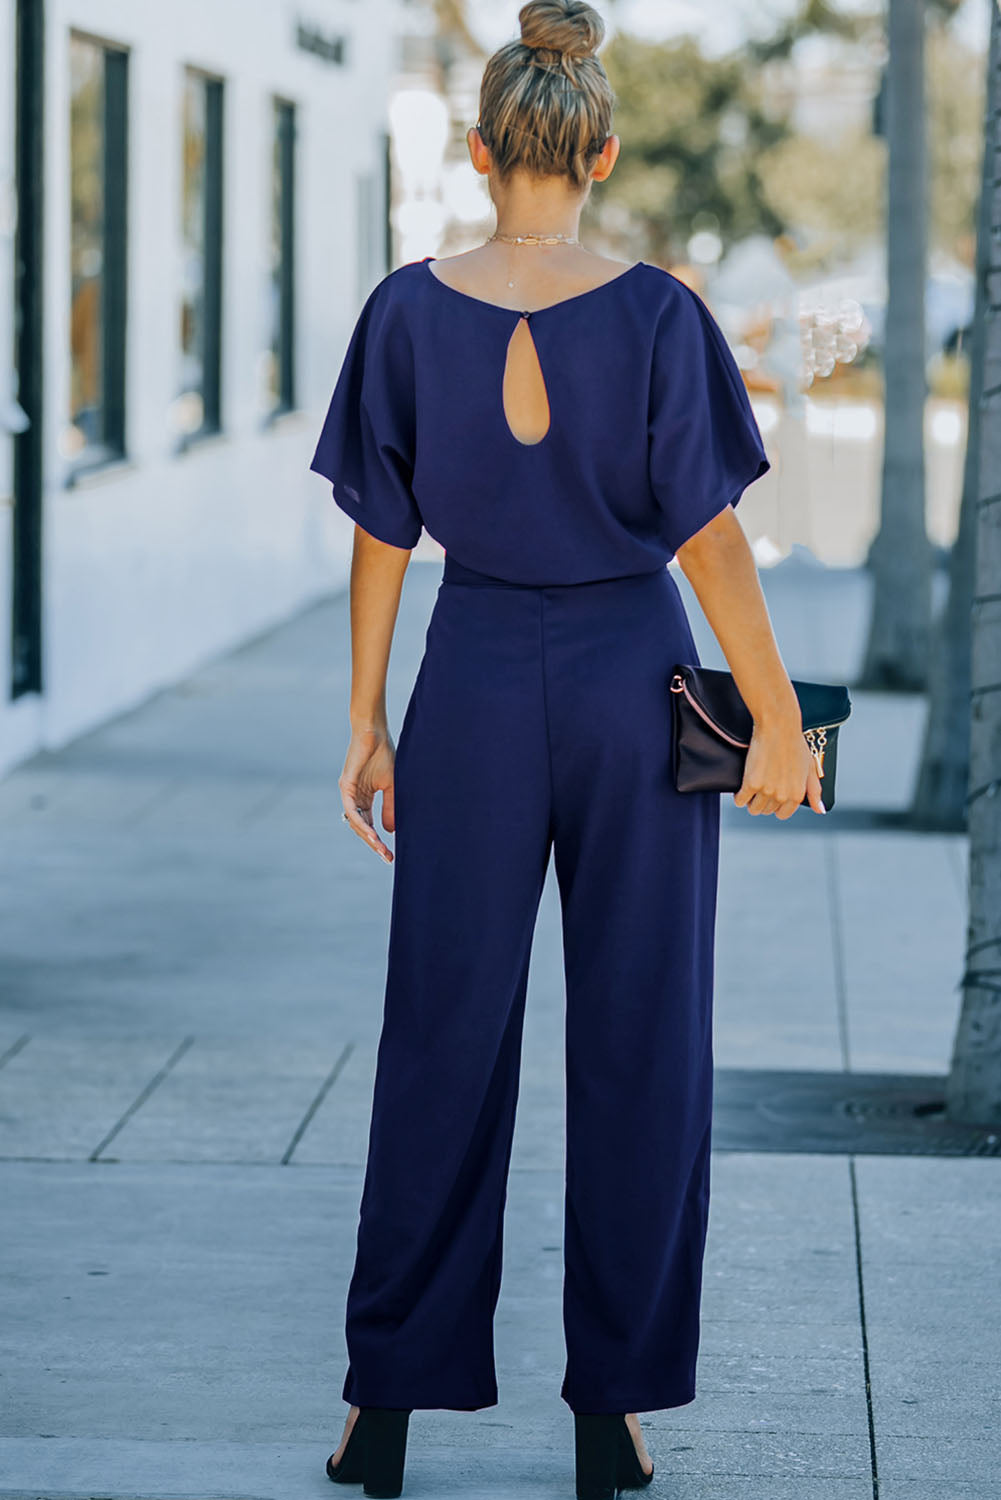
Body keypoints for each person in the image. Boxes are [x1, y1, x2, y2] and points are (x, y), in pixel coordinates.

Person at [310, 3, 824, 1496]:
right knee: (641, 1040)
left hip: (466, 681)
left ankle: (384, 1409)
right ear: (598, 150)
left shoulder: (406, 310)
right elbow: (710, 543)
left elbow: (380, 541)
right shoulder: (660, 313)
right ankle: (613, 1413)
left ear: (482, 151)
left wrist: (366, 718)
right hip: (629, 677)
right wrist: (774, 716)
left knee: (440, 1039)